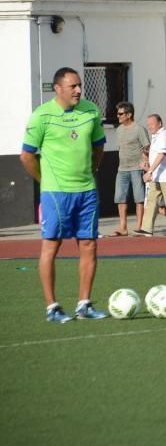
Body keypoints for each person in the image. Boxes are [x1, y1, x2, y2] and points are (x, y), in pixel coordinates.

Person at [20, 67, 108, 322]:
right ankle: (53, 307)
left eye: (80, 85)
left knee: (89, 245)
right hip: (56, 194)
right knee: (51, 246)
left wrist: (93, 169)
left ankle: (84, 305)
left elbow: (99, 146)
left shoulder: (91, 111)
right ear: (58, 88)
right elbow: (26, 156)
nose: (79, 90)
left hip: (87, 191)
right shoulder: (41, 116)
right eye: (73, 86)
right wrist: (44, 180)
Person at [113, 101, 149, 236]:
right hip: (122, 169)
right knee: (120, 198)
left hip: (136, 168)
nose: (118, 116)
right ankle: (123, 228)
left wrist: (145, 162)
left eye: (121, 114)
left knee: (139, 198)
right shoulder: (119, 129)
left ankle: (139, 226)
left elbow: (146, 147)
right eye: (118, 113)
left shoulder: (139, 129)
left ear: (129, 114)